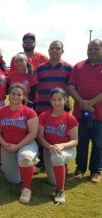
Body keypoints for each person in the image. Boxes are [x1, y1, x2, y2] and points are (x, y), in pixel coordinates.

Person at [0, 83, 38, 204]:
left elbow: (33, 133)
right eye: (13, 94)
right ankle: (29, 168)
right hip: (7, 146)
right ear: (9, 94)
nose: (16, 97)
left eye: (19, 94)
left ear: (24, 97)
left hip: (26, 144)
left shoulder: (29, 112)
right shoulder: (0, 111)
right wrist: (4, 144)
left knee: (24, 157)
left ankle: (26, 189)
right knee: (13, 180)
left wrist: (17, 146)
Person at [35, 40, 73, 173]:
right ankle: (43, 162)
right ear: (48, 51)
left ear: (62, 51)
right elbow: (36, 86)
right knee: (42, 135)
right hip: (43, 107)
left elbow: (71, 88)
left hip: (59, 109)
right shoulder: (40, 68)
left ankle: (63, 162)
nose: (54, 51)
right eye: (52, 48)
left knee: (61, 135)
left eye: (57, 49)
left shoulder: (68, 68)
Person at [69, 39, 102, 183]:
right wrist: (82, 101)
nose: (92, 51)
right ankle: (80, 169)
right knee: (81, 142)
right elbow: (71, 86)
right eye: (90, 48)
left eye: (96, 48)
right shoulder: (78, 66)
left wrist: (91, 103)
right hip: (80, 114)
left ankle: (95, 171)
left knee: (98, 144)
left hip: (99, 115)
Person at [37, 88, 78, 205]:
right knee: (52, 181)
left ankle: (60, 191)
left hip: (67, 149)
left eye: (60, 99)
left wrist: (62, 145)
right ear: (50, 101)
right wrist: (49, 147)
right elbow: (40, 137)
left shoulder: (70, 118)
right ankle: (61, 169)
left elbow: (75, 141)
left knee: (57, 157)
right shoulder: (44, 116)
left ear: (65, 100)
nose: (56, 102)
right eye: (54, 99)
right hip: (49, 149)